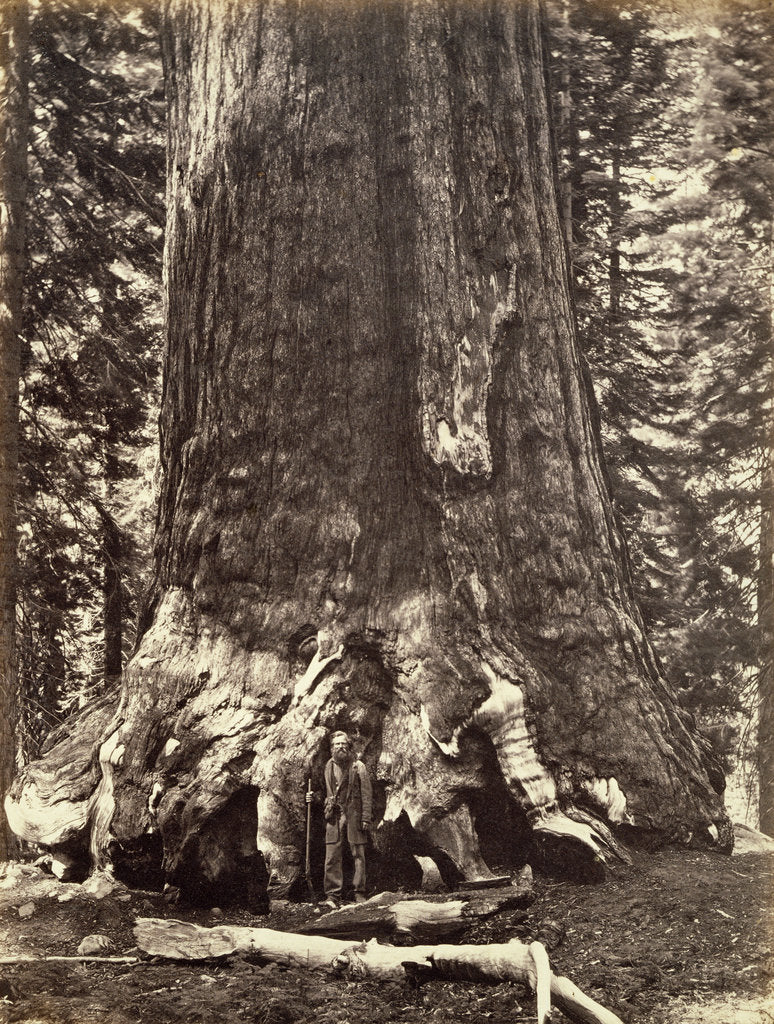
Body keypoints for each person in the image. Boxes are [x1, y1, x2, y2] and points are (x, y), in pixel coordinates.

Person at [319, 730, 372, 906]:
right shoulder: (328, 766)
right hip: (334, 816)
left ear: (348, 746)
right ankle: (333, 895)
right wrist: (312, 797)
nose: (340, 747)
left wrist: (365, 817)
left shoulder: (358, 766)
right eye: (337, 744)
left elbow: (366, 794)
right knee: (332, 854)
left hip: (354, 816)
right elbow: (323, 791)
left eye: (343, 744)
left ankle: (359, 893)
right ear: (332, 747)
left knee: (358, 854)